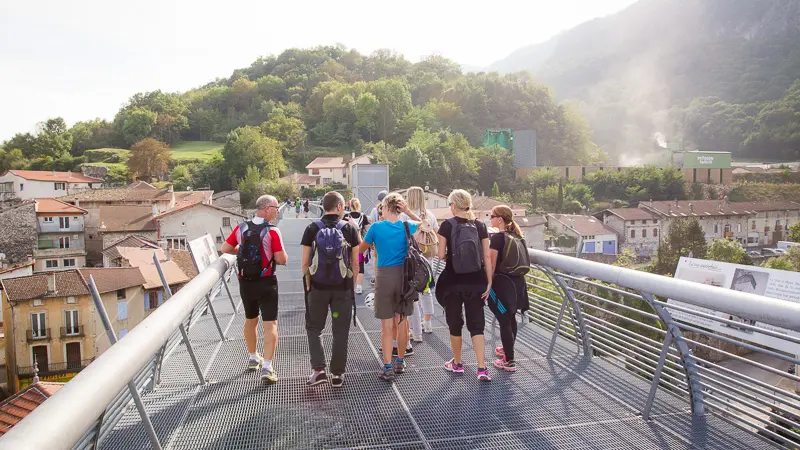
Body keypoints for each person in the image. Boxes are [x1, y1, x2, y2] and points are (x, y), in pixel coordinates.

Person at [221, 194, 287, 384]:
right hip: (266, 282)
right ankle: (267, 367)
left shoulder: (241, 228)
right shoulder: (272, 231)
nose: (276, 212)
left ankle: (252, 357)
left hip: (245, 281)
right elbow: (281, 259)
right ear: (267, 208)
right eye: (275, 208)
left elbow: (225, 248)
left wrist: (241, 250)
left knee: (251, 319)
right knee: (270, 324)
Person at [358, 193, 422, 381]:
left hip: (384, 277)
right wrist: (408, 212)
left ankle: (387, 366)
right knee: (402, 322)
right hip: (404, 279)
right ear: (399, 208)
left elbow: (361, 250)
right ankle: (400, 361)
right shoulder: (406, 227)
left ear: (385, 207)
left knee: (386, 325)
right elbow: (425, 225)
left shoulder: (377, 227)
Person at [301, 192, 361, 388]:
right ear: (340, 207)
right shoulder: (350, 228)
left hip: (318, 288)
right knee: (340, 331)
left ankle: (318, 370)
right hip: (342, 289)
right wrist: (351, 288)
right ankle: (337, 375)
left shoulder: (312, 228)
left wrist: (308, 285)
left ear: (324, 207)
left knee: (314, 328)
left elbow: (304, 263)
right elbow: (355, 263)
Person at [435, 189, 492, 382]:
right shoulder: (480, 226)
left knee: (455, 323)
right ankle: (482, 368)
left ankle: (457, 364)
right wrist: (489, 281)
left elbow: (441, 255)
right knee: (477, 325)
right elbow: (486, 256)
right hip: (477, 281)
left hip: (453, 281)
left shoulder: (446, 226)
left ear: (453, 205)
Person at [488, 205, 530, 372]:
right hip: (518, 283)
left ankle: (509, 361)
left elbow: (491, 264)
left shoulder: (498, 238)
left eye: (491, 215)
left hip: (503, 285)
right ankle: (507, 351)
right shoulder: (518, 236)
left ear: (500, 219)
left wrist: (487, 284)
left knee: (504, 319)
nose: (490, 218)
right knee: (510, 318)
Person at [400, 186, 438, 342]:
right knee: (426, 289)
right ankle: (427, 322)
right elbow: (436, 232)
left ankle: (415, 330)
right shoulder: (429, 215)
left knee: (412, 291)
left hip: (411, 258)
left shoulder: (404, 216)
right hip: (427, 255)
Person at [344, 197, 370, 295]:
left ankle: (349, 285)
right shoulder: (364, 217)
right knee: (360, 266)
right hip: (360, 244)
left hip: (348, 244)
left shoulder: (346, 216)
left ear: (350, 206)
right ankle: (358, 287)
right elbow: (368, 231)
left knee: (348, 264)